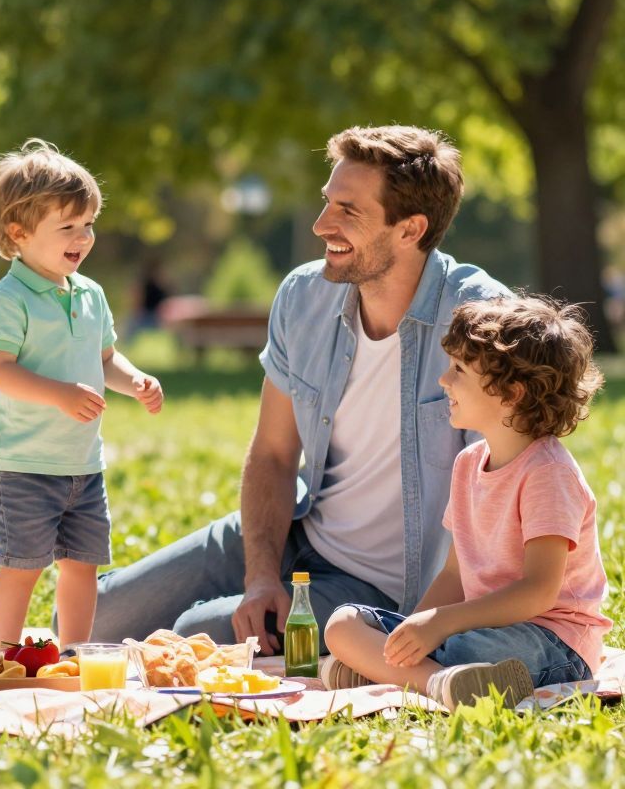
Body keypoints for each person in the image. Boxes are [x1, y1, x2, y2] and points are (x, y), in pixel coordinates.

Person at [77, 125, 508, 652]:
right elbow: (274, 455)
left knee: (196, 637)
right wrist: (260, 578)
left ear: (410, 229)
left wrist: (421, 631)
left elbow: (499, 500)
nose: (321, 224)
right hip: (294, 529)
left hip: (378, 590)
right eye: (328, 202)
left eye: (348, 211)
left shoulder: (484, 323)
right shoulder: (305, 297)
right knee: (87, 621)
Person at [322, 297, 610, 708]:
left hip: (551, 640)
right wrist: (410, 633)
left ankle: (400, 675)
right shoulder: (468, 463)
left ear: (510, 392)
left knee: (465, 649)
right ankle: (440, 682)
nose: (444, 380)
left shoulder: (548, 473)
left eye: (459, 369)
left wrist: (440, 625)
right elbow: (455, 574)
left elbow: (539, 592)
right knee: (342, 625)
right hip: (471, 629)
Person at [0, 140, 164, 652]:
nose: (83, 237)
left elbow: (105, 359)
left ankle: (74, 654)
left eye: (88, 224)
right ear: (19, 233)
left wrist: (135, 380)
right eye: (68, 227)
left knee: (82, 565)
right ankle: (5, 656)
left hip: (82, 464)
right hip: (23, 463)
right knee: (22, 567)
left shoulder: (90, 293)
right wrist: (58, 395)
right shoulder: (8, 301)